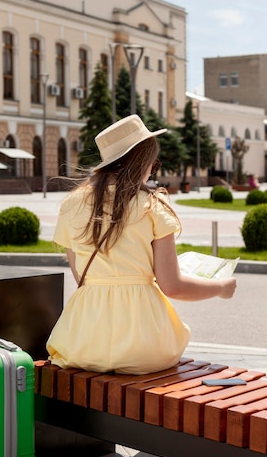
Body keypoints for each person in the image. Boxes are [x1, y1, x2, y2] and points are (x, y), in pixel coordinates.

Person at [47, 114, 237, 375]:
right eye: (153, 162)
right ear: (143, 161)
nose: (153, 168)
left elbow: (83, 277)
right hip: (144, 344)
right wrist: (221, 287)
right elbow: (173, 286)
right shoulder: (152, 206)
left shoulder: (71, 205)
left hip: (83, 341)